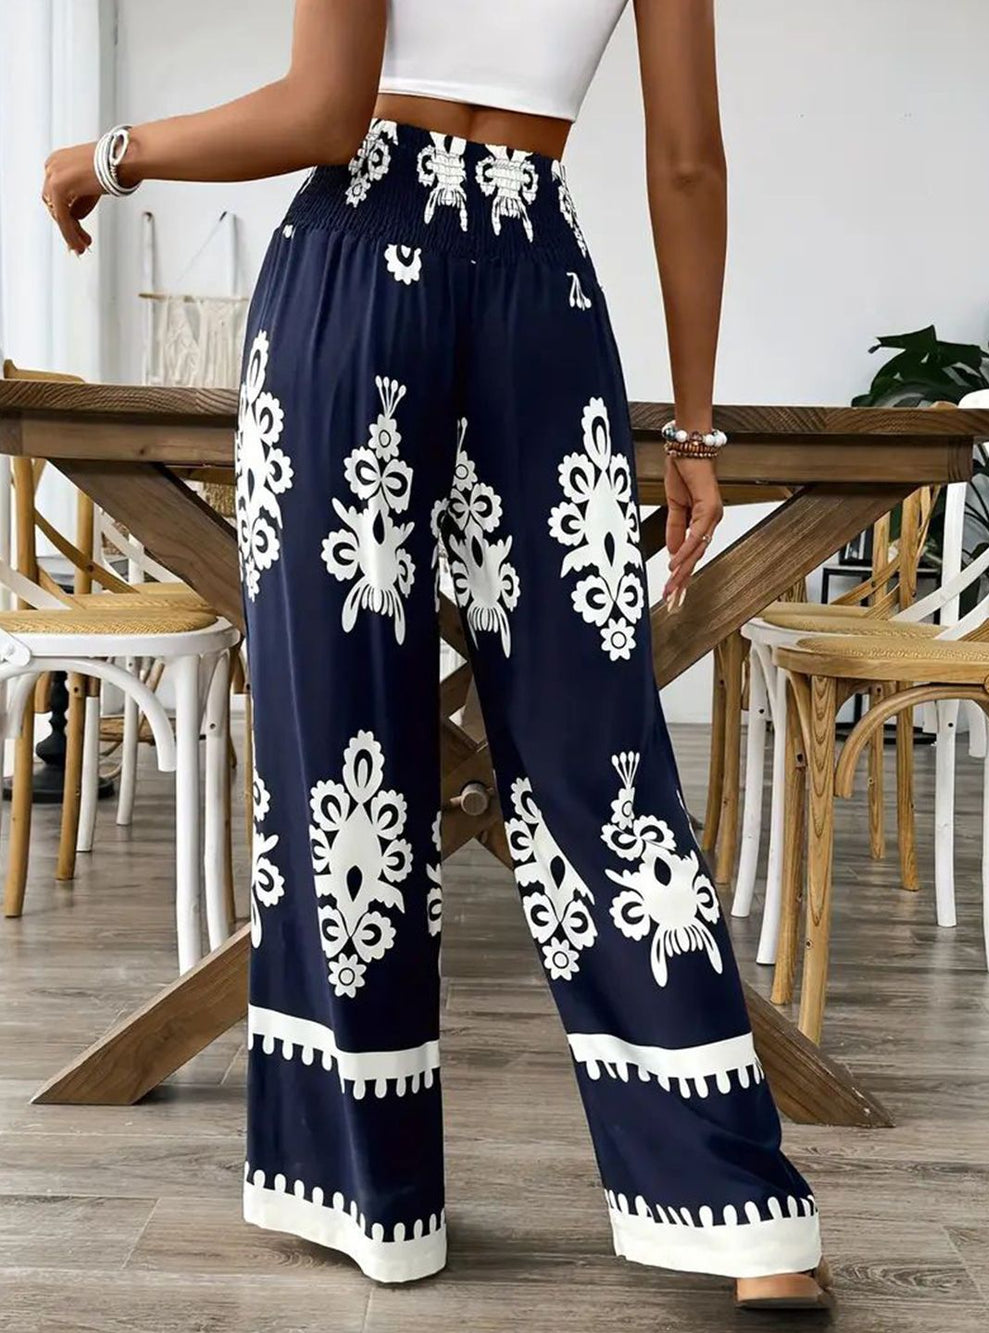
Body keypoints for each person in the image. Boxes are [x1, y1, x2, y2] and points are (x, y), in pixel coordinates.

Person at [41, 0, 832, 1311]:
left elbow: (322, 115)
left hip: (351, 282)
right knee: (599, 748)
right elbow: (689, 161)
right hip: (538, 289)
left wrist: (109, 156)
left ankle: (375, 1196)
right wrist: (695, 432)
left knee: (340, 745)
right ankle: (744, 1216)